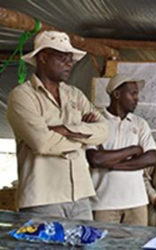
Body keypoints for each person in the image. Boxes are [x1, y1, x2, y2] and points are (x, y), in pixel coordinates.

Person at [6, 31, 109, 220]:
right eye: (63, 58)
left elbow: (104, 131)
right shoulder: (22, 96)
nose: (70, 63)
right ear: (43, 57)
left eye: (71, 59)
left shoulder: (75, 94)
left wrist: (64, 130)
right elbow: (42, 142)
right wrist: (84, 137)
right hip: (43, 199)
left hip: (81, 195)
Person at [86, 73, 156, 226]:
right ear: (117, 94)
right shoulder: (97, 121)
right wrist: (133, 150)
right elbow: (95, 159)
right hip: (103, 203)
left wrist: (112, 165)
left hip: (136, 203)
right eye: (133, 93)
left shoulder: (139, 123)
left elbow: (151, 157)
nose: (137, 98)